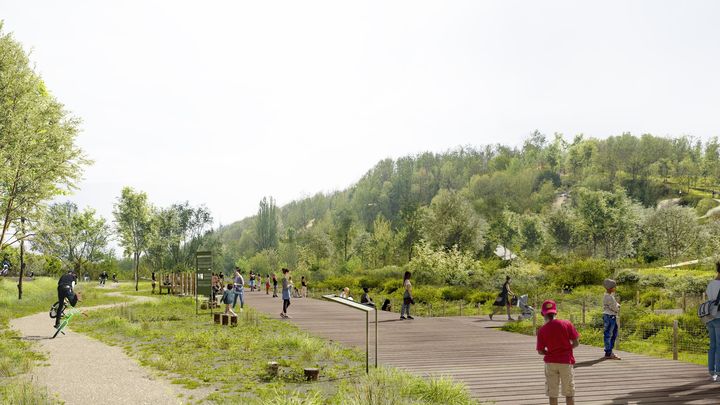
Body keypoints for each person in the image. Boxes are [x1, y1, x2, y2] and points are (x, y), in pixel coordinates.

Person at [536, 300, 579, 405]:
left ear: (542, 314)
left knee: (553, 394)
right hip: (566, 361)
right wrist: (567, 349)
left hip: (551, 363)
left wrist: (549, 353)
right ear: (556, 312)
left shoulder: (542, 330)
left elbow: (540, 351)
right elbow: (576, 342)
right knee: (569, 393)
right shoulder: (567, 324)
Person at [705, 262, 720, 381]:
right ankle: (719, 372)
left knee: (713, 345)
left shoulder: (711, 284)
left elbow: (709, 299)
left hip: (710, 317)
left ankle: (712, 370)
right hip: (719, 317)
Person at [602, 278, 621, 360]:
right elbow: (615, 307)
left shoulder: (608, 296)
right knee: (610, 334)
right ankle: (609, 352)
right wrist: (618, 307)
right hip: (611, 316)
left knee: (612, 334)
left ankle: (609, 351)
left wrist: (616, 305)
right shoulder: (609, 297)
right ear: (610, 288)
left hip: (609, 316)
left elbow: (614, 304)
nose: (615, 288)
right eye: (614, 287)